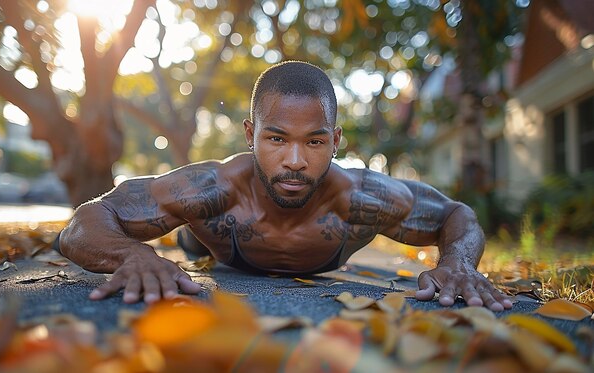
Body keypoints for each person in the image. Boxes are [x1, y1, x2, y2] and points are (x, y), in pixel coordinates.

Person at [57, 60, 512, 312]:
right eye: (276, 139)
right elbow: (85, 222)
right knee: (190, 239)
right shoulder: (210, 187)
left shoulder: (363, 197)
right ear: (249, 133)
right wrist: (134, 255)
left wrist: (458, 264)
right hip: (216, 246)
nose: (295, 161)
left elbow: (457, 215)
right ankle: (188, 238)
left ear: (335, 141)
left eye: (314, 141)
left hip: (320, 249)